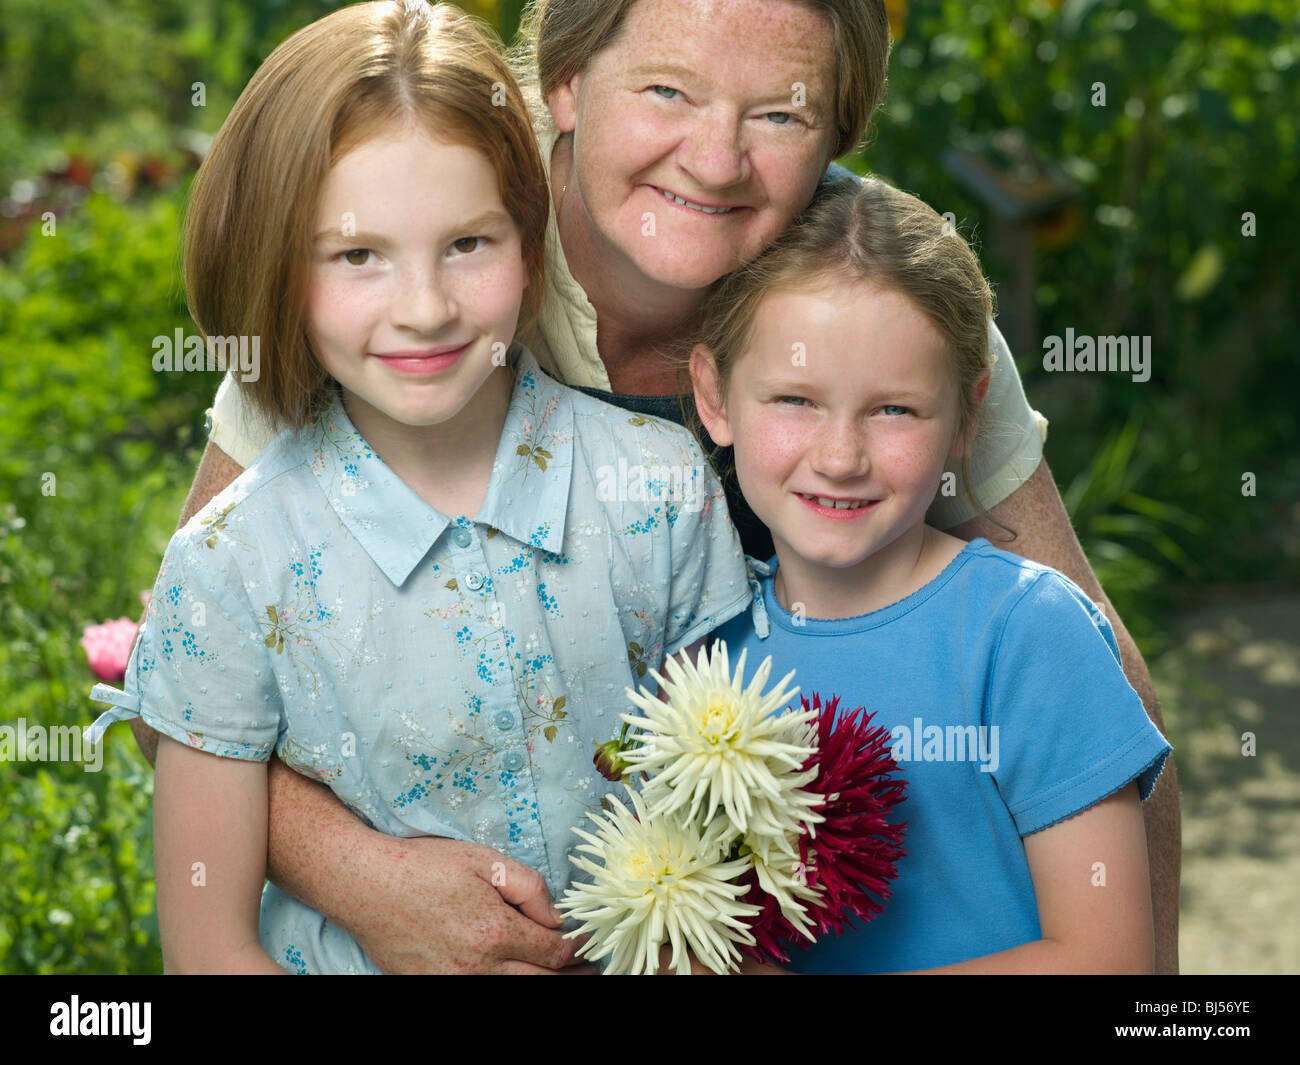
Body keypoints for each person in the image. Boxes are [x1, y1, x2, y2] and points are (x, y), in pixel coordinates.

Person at [134, 0, 1180, 973]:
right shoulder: (420, 225)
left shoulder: (879, 303)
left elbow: (1104, 697)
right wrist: (359, 876)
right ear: (566, 82)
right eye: (666, 92)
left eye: (779, 113)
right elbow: (180, 692)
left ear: (839, 139)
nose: (716, 161)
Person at [86, 0, 751, 973]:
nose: (427, 307)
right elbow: (210, 945)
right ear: (282, 268)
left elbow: (731, 818)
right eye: (359, 255)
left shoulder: (659, 488)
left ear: (530, 242)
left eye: (467, 244)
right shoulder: (229, 566)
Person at [695, 177, 1171, 973]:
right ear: (715, 396)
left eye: (894, 410)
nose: (841, 457)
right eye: (795, 399)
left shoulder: (1027, 633)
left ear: (969, 415)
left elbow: (1109, 959)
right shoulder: (704, 653)